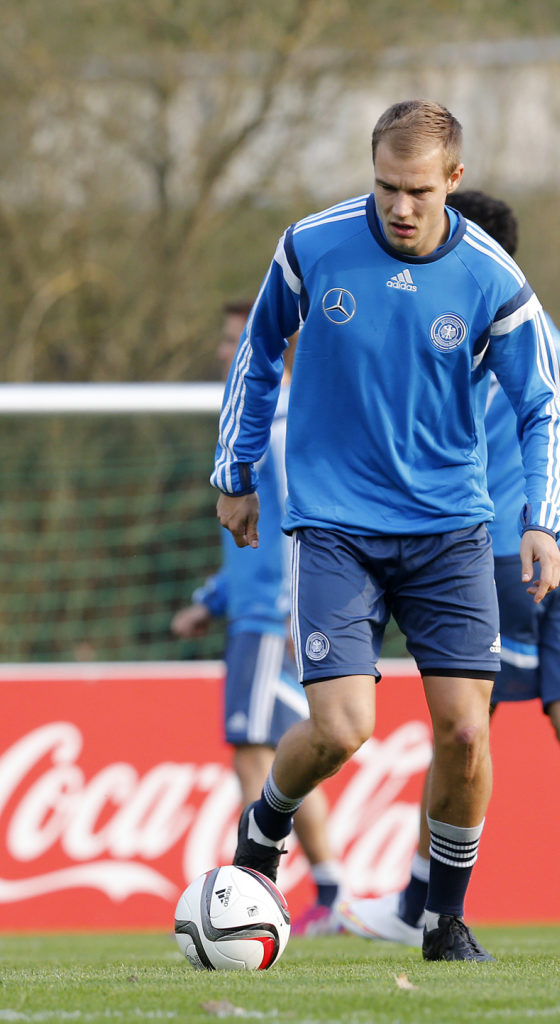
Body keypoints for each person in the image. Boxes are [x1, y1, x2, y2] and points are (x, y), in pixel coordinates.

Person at [211, 100, 560, 963]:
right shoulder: (312, 245)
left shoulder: (492, 279)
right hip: (334, 524)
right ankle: (265, 829)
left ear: (453, 180)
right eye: (383, 187)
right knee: (340, 730)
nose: (398, 207)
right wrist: (237, 472)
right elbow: (258, 354)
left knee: (466, 734)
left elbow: (542, 407)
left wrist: (542, 523)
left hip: (448, 530)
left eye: (416, 190)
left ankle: (441, 920)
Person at [337, 190, 560, 954]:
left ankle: (413, 902)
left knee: (459, 735)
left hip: (498, 550)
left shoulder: (466, 330)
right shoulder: (552, 339)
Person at [171, 300, 344, 935]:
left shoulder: (277, 417)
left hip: (272, 616)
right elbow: (255, 534)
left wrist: (303, 605)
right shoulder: (259, 415)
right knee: (279, 759)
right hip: (255, 609)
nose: (223, 352)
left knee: (255, 755)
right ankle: (329, 892)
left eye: (232, 340)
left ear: (272, 345)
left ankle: (254, 893)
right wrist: (213, 600)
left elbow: (303, 519)